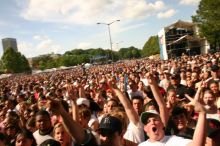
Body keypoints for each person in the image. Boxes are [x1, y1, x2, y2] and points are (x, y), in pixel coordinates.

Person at [138, 73, 206, 146]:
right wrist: (152, 84)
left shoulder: (174, 141)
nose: (152, 122)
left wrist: (202, 113)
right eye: (148, 121)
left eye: (155, 119)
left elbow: (197, 144)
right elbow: (162, 106)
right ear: (145, 129)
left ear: (162, 124)